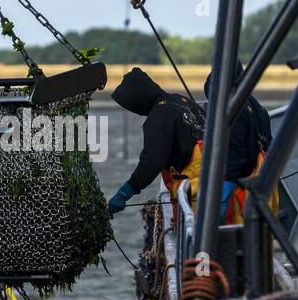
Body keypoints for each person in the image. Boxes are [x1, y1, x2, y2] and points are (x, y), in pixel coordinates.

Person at [106, 68, 203, 215]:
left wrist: (126, 192)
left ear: (138, 99)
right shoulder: (180, 100)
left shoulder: (158, 118)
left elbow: (152, 162)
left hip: (195, 193)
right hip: (215, 180)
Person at [205, 60, 272, 221]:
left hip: (241, 202)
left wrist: (221, 197)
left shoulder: (231, 107)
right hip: (264, 193)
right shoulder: (254, 104)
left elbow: (236, 154)